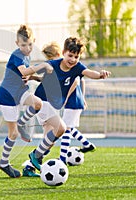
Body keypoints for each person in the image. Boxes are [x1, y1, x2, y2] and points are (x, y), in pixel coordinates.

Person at [18, 37, 111, 176]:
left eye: (76, 56)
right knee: (61, 128)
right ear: (63, 52)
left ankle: (30, 167)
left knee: (49, 141)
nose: (73, 59)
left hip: (53, 106)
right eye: (70, 55)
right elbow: (36, 69)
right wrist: (28, 75)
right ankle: (35, 155)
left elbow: (89, 73)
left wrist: (100, 75)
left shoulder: (77, 67)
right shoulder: (53, 64)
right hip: (43, 102)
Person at [0, 25, 55, 178]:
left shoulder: (26, 56)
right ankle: (4, 163)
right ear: (17, 44)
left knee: (38, 103)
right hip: (7, 96)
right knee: (13, 134)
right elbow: (23, 71)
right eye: (23, 45)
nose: (27, 48)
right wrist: (42, 65)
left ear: (33, 42)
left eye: (30, 44)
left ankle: (22, 122)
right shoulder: (17, 55)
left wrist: (37, 78)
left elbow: (25, 75)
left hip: (20, 92)